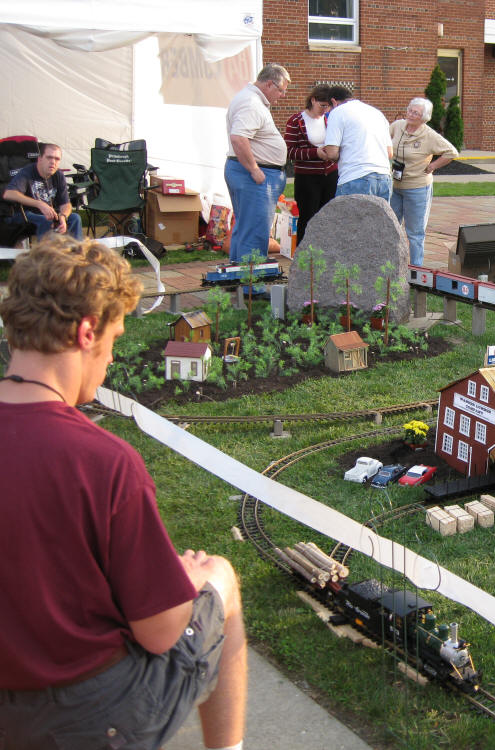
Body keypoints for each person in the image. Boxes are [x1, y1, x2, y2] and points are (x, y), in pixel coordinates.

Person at [0, 236, 247, 750]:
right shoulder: (104, 461)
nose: (112, 356)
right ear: (87, 332)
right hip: (88, 717)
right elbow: (160, 633)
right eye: (114, 337)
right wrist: (186, 578)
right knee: (220, 578)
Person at [225, 63, 290, 262]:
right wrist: (253, 169)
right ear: (269, 84)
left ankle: (239, 273)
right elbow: (238, 138)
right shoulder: (251, 103)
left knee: (246, 227)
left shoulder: (250, 99)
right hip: (254, 174)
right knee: (255, 230)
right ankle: (251, 278)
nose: (283, 95)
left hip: (250, 172)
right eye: (281, 90)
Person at [388, 97, 457, 265]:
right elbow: (385, 140)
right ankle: (392, 265)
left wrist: (433, 165)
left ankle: (416, 270)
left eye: (416, 113)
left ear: (424, 117)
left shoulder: (429, 135)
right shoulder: (397, 126)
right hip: (396, 185)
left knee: (415, 232)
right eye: (410, 110)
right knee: (391, 227)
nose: (411, 115)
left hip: (417, 188)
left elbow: (451, 152)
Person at [284, 84, 337, 245]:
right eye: (322, 105)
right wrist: (315, 153)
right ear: (313, 100)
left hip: (330, 175)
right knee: (307, 218)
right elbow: (290, 151)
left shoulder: (330, 119)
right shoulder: (296, 121)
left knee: (329, 218)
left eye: (328, 106)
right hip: (307, 178)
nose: (325, 110)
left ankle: (325, 252)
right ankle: (304, 255)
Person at [320, 86, 393, 201]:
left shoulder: (337, 112)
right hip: (384, 177)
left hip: (355, 177)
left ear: (333, 102)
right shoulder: (377, 113)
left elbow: (332, 153)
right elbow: (389, 153)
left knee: (349, 213)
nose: (327, 111)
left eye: (328, 108)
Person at [2, 142, 83, 240]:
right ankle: (46, 250)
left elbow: (65, 204)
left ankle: (76, 249)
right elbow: (8, 194)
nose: (53, 162)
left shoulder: (58, 175)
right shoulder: (27, 172)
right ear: (40, 159)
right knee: (47, 220)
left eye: (57, 159)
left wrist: (63, 216)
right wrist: (39, 204)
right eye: (49, 157)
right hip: (24, 215)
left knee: (75, 218)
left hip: (48, 215)